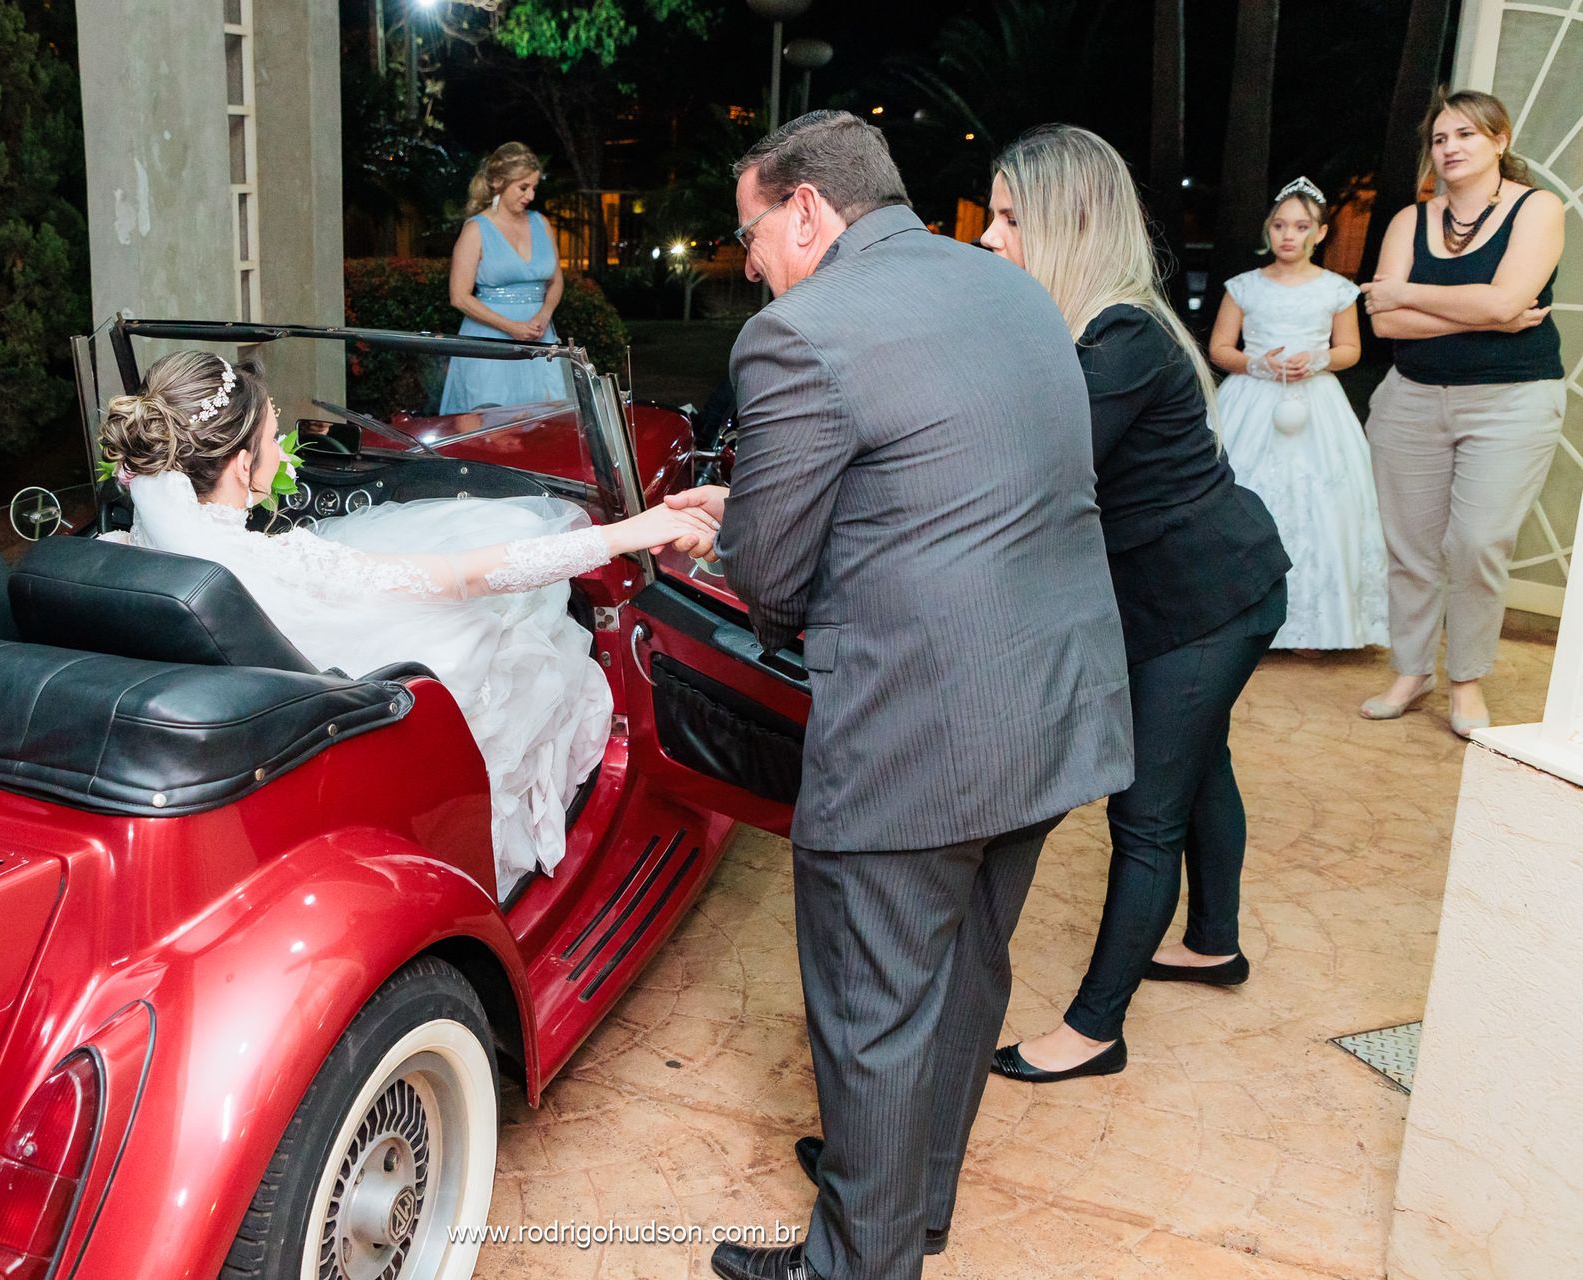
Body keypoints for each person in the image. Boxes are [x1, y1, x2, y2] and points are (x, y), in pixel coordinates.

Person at [665, 110, 1133, 1280]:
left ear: (810, 208)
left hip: (919, 724)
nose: (750, 261)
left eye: (752, 231)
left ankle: (858, 1263)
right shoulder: (1014, 290)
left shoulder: (801, 332)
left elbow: (774, 575)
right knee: (967, 970)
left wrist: (735, 541)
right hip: (1056, 708)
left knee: (874, 1010)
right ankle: (908, 1204)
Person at [98, 350, 715, 898]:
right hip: (324, 729)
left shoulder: (118, 550)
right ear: (240, 466)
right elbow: (463, 576)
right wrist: (624, 534)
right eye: (273, 431)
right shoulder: (270, 564)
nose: (281, 441)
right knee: (500, 626)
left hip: (193, 738)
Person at [978, 126, 1291, 1085]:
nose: (989, 238)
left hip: (1206, 599)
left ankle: (1094, 1029)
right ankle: (1213, 941)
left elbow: (1015, 480)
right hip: (1202, 585)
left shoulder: (1117, 341)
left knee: (1146, 815)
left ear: (1067, 223)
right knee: (1201, 766)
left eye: (1008, 218)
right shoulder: (1095, 325)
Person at [1357, 88, 1565, 737]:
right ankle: (1411, 671)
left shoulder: (1538, 208)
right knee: (1411, 548)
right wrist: (1485, 313)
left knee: (1477, 544)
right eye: (1441, 139)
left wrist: (1414, 296)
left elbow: (1507, 303)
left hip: (1512, 403)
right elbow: (1384, 320)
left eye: (1466, 135)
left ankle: (1467, 680)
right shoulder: (1406, 222)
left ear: (1499, 141)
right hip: (1410, 401)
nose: (1450, 148)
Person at [1208, 177, 1387, 652]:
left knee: (1324, 506)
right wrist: (1257, 363)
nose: (1289, 235)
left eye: (1301, 226)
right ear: (1270, 230)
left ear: (1320, 233)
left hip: (1315, 403)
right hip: (1253, 399)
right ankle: (1237, 619)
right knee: (1244, 497)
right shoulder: (1244, 287)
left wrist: (1319, 358)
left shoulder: (1337, 290)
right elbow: (1220, 347)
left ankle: (1317, 626)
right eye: (1281, 225)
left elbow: (1350, 348)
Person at [439, 142, 568, 413]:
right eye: (523, 187)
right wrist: (511, 327)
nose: (531, 195)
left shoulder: (541, 223)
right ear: (499, 182)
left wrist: (544, 315)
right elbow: (459, 297)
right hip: (490, 343)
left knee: (545, 424)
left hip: (539, 339)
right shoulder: (476, 230)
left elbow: (555, 281)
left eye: (534, 187)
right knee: (493, 428)